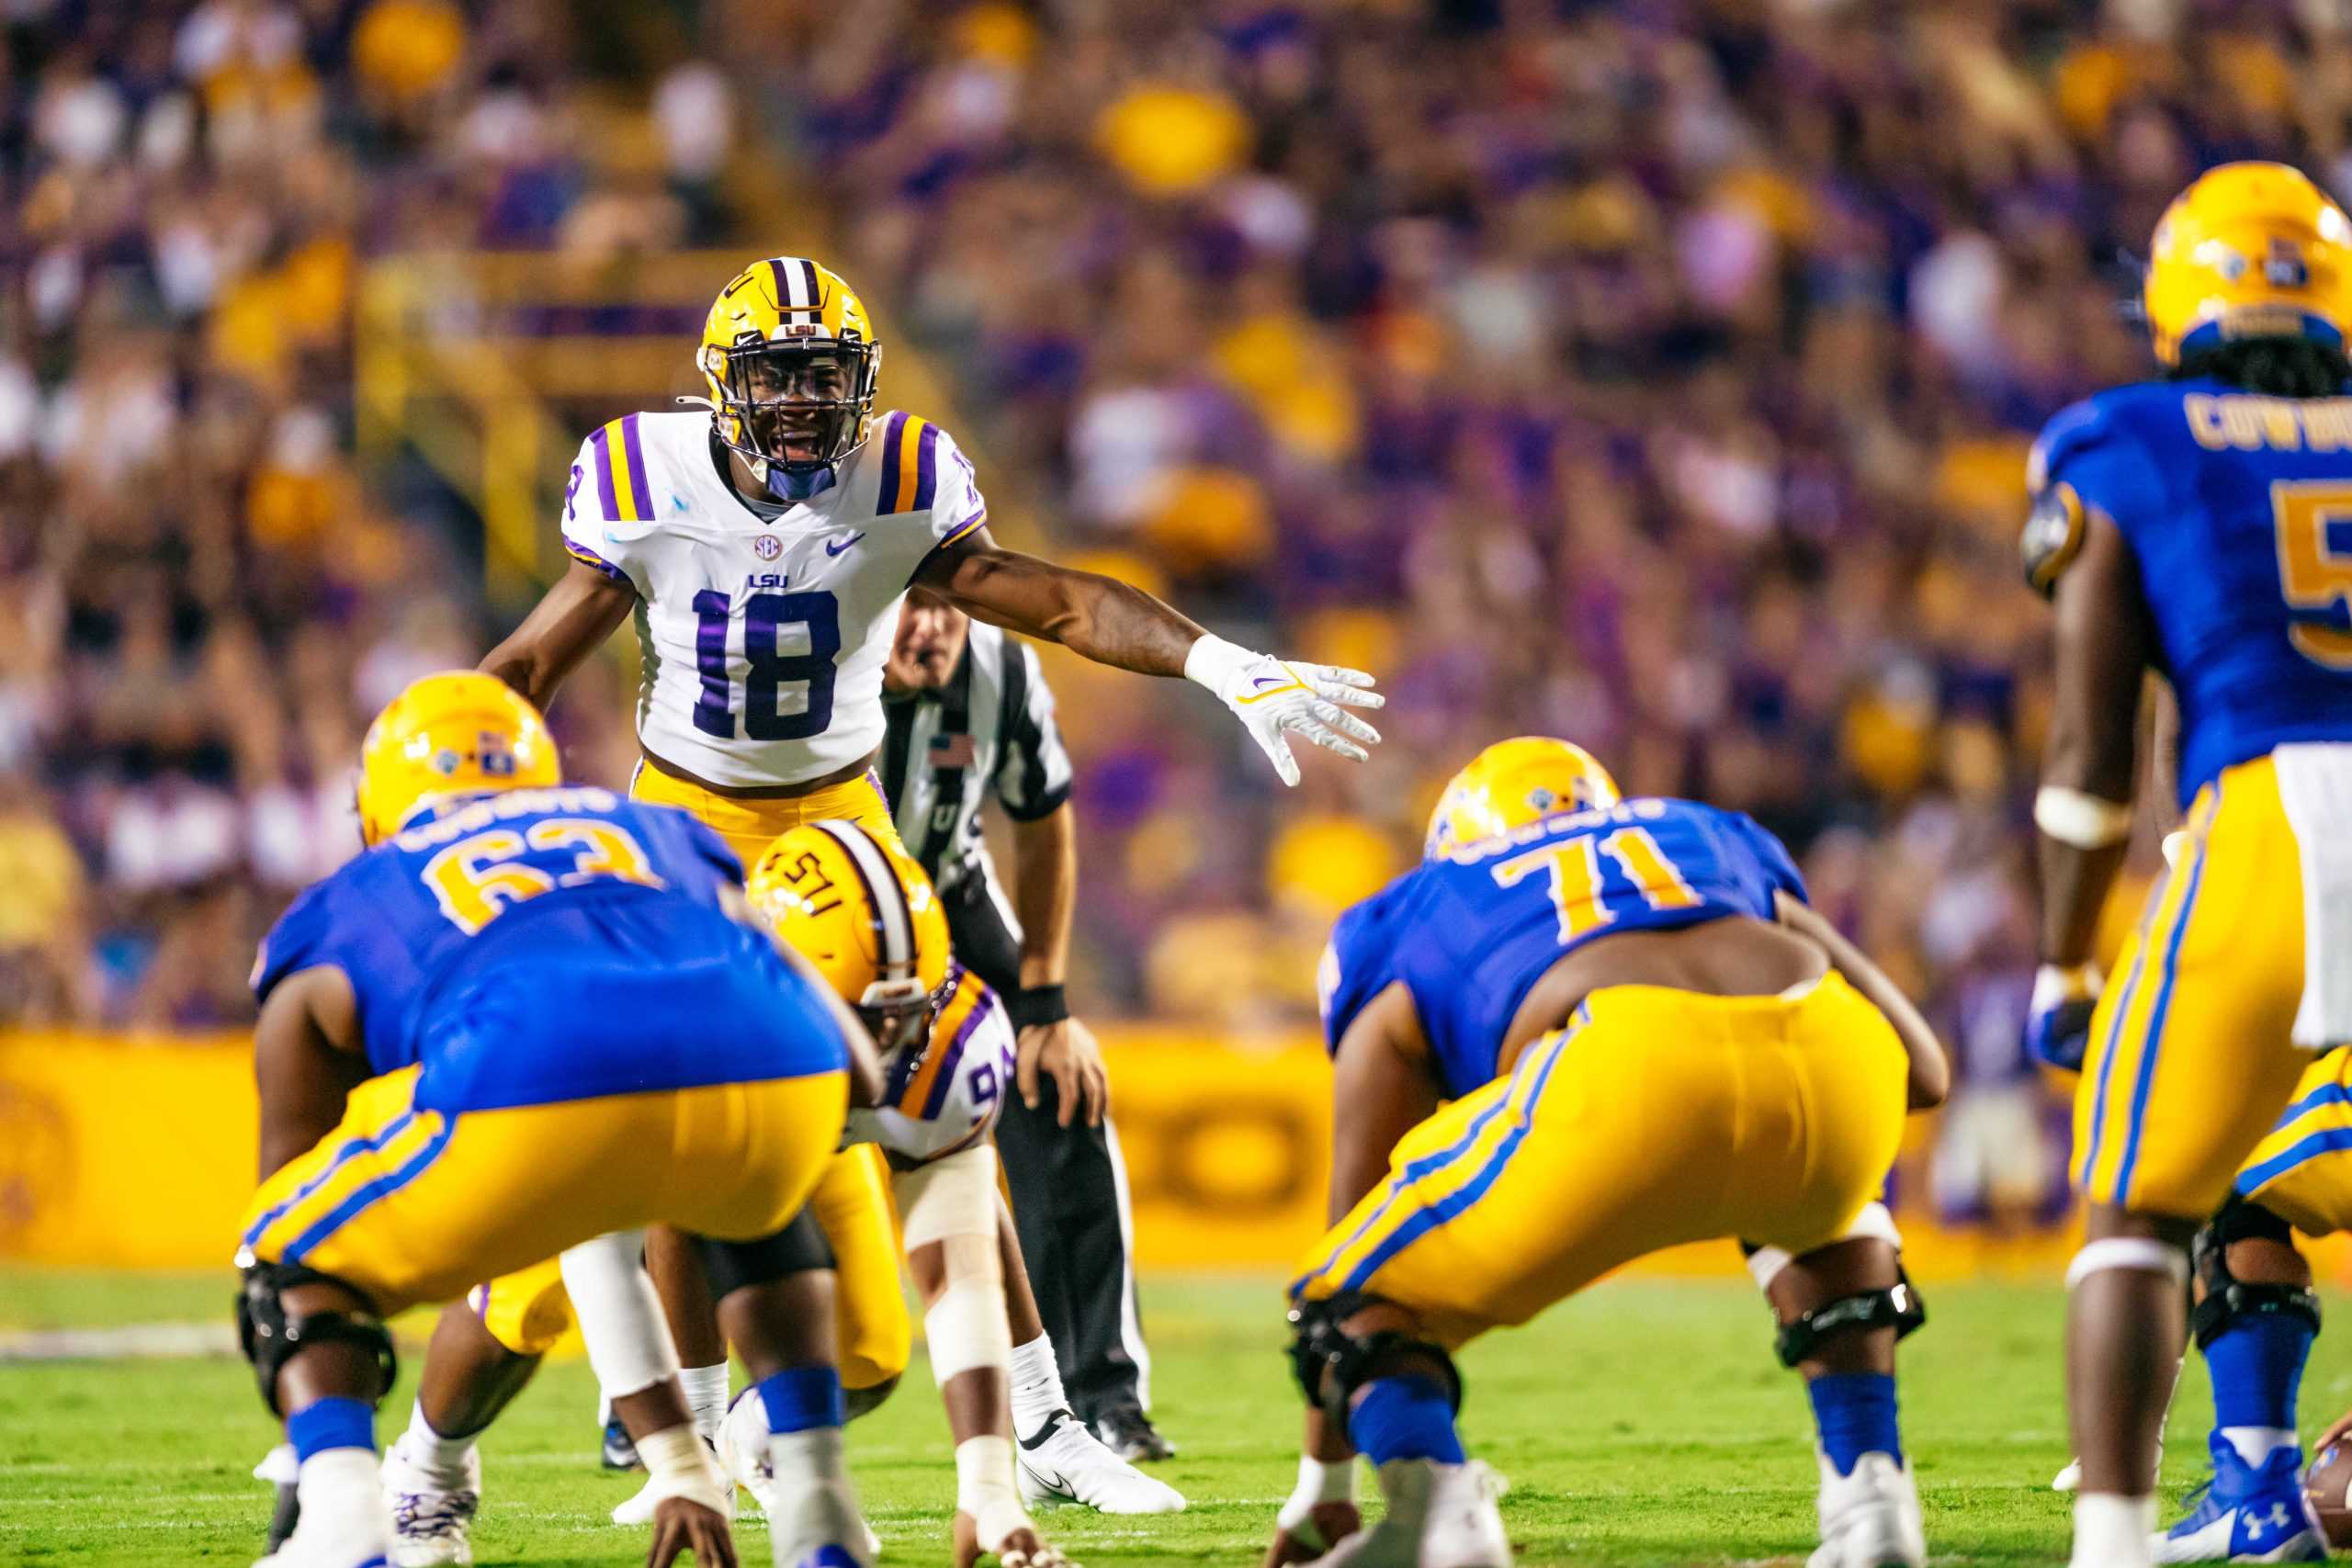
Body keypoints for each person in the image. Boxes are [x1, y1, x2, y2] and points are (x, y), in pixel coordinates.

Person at [476, 254, 1382, 1461]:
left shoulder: (903, 474)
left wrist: (1216, 661)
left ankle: (1046, 1417)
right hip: (690, 819)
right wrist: (445, 787)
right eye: (777, 373)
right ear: (721, 384)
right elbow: (529, 666)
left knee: (953, 1094)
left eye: (823, 373)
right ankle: (646, 1416)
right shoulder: (644, 477)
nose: (802, 398)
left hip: (846, 823)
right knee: (664, 1104)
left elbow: (1052, 600)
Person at [232, 671, 876, 1568]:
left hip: (533, 1072)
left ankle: (345, 1515)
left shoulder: (361, 890)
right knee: (759, 1209)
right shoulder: (654, 829)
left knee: (282, 1251)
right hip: (784, 1060)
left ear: (379, 802)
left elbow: (291, 1182)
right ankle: (818, 1504)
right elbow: (849, 1050)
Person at [1270, 738, 1949, 1568]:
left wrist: (1326, 1483)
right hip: (1836, 1055)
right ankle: (1873, 1504)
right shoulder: (1704, 834)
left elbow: (1358, 1215)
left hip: (1619, 1066)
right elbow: (1923, 1071)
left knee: (1344, 1287)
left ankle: (1438, 1515)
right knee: (1833, 1204)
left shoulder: (1416, 904)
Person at [2018, 161, 2352, 1568]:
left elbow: (2096, 755)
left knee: (2143, 1202)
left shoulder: (2126, 438)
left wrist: (2066, 955)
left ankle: (2129, 1534)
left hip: (2270, 812)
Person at [878, 590, 1168, 1463]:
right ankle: (658, 1403)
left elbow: (1042, 823)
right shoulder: (803, 655)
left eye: (948, 606)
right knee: (703, 1105)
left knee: (1063, 1084)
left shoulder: (1000, 670)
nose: (930, 627)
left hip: (944, 890)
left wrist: (1044, 1003)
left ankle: (1102, 1395)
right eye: (907, 604)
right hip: (797, 899)